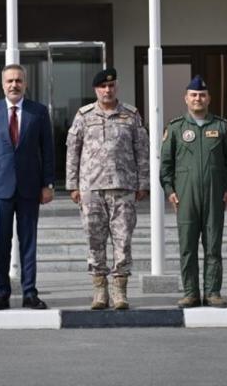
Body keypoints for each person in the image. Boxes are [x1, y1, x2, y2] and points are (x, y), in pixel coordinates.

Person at [66, 68, 149, 310]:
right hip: (91, 188)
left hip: (123, 187)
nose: (107, 90)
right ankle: (100, 289)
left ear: (116, 87)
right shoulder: (84, 116)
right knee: (94, 239)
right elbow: (73, 151)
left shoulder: (130, 115)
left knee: (123, 241)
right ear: (96, 89)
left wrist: (143, 183)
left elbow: (142, 150)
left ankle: (120, 290)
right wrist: (72, 185)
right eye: (102, 86)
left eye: (111, 86)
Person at [0, 64, 55, 310]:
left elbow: (48, 150)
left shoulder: (38, 112)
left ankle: (29, 292)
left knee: (29, 242)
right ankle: (1, 294)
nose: (14, 85)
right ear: (2, 85)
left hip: (30, 186)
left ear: (25, 84)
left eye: (18, 80)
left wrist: (47, 183)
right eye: (9, 81)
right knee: (1, 242)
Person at [160, 75, 227, 309]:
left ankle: (213, 292)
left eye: (202, 95)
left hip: (215, 196)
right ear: (186, 98)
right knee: (187, 247)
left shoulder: (221, 127)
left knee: (213, 246)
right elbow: (166, 164)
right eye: (193, 95)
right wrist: (169, 190)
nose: (198, 99)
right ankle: (191, 293)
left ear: (209, 99)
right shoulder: (176, 128)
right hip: (186, 197)